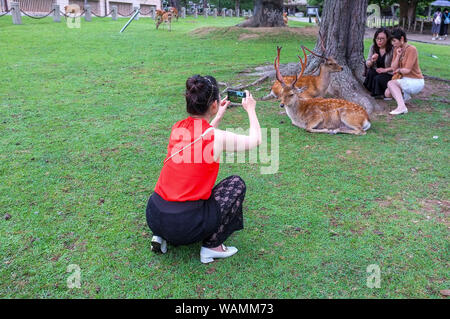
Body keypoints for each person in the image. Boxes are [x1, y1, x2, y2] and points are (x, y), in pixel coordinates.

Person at [146, 75, 262, 264]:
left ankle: (160, 236)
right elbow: (255, 140)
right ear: (214, 104)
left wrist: (218, 117)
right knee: (236, 184)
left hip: (154, 214)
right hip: (185, 225)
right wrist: (251, 109)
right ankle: (212, 247)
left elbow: (200, 136)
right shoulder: (215, 137)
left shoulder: (178, 128)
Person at [385, 28, 424, 115]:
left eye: (394, 41)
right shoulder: (396, 49)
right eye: (392, 41)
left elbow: (407, 70)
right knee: (387, 93)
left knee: (391, 84)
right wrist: (398, 55)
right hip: (404, 79)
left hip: (416, 80)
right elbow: (393, 67)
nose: (393, 43)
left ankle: (401, 107)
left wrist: (398, 70)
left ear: (402, 39)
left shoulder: (412, 49)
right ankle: (405, 96)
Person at [363, 28, 394, 99]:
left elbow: (396, 66)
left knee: (378, 78)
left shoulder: (392, 49)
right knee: (371, 73)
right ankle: (372, 90)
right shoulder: (373, 47)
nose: (379, 41)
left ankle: (380, 94)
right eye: (377, 38)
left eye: (382, 39)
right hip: (377, 71)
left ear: (387, 39)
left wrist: (385, 70)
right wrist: (372, 60)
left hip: (389, 73)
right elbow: (368, 64)